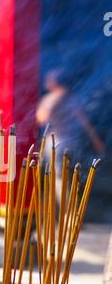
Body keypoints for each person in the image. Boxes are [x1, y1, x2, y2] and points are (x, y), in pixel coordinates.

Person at [36, 68, 105, 205]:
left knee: (59, 177)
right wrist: (95, 139)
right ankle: (71, 206)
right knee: (72, 174)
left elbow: (41, 119)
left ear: (53, 82)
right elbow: (84, 121)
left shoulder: (50, 98)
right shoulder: (72, 98)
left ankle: (66, 210)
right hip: (73, 142)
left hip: (56, 143)